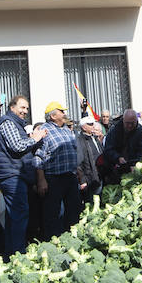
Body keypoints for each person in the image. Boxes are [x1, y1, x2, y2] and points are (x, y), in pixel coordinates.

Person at [0, 96, 47, 256]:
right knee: (19, 214)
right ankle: (17, 252)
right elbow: (16, 146)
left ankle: (11, 252)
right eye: (22, 107)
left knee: (14, 216)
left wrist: (32, 139)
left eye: (27, 109)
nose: (25, 111)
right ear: (12, 107)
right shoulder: (8, 122)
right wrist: (35, 139)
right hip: (12, 175)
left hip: (16, 174)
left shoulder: (17, 124)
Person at [35, 102, 81, 241]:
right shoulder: (45, 130)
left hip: (70, 176)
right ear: (53, 116)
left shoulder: (66, 129)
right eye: (61, 111)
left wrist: (77, 169)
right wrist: (41, 180)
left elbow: (73, 150)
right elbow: (38, 156)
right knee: (54, 214)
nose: (64, 113)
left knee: (73, 211)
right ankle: (54, 242)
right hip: (54, 178)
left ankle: (72, 241)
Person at [100, 109, 142, 185]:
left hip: (135, 169)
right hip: (115, 170)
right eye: (127, 123)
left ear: (136, 121)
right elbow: (108, 149)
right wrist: (117, 158)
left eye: (132, 123)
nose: (129, 126)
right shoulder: (114, 130)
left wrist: (136, 164)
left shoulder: (141, 132)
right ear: (123, 120)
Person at [74, 115, 104, 223]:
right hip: (89, 178)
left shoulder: (94, 138)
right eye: (89, 124)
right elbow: (79, 162)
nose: (92, 126)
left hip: (99, 175)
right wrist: (82, 179)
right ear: (83, 127)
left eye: (93, 124)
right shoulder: (80, 140)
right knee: (91, 205)